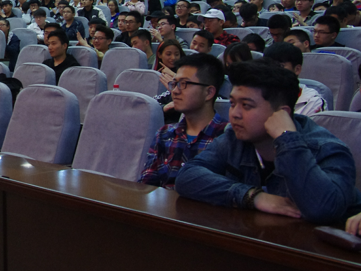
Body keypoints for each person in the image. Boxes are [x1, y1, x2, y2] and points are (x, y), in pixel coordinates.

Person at [175, 60, 361, 224]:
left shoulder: (328, 149)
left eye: (246, 105)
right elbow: (187, 177)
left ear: (282, 113)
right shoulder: (235, 139)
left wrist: (287, 138)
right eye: (232, 104)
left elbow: (322, 209)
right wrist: (253, 197)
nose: (235, 114)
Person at [140, 54, 227, 189]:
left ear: (209, 92)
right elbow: (146, 187)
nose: (175, 91)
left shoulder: (227, 137)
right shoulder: (165, 133)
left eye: (183, 84)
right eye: (175, 84)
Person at [263, 42, 325, 116]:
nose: (272, 70)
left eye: (280, 66)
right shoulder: (257, 95)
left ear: (297, 69)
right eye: (268, 65)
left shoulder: (312, 101)